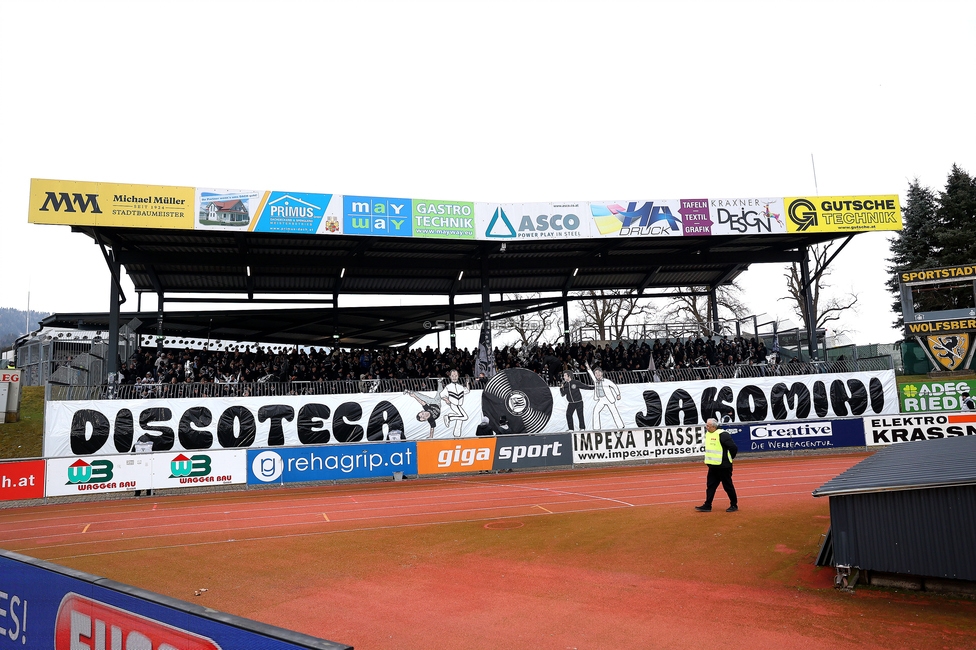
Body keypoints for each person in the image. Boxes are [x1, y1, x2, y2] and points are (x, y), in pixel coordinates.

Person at [695, 418, 738, 513]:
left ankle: (734, 505)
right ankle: (707, 505)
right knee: (710, 486)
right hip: (713, 466)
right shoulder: (708, 434)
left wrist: (730, 458)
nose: (706, 427)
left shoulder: (723, 434)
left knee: (728, 486)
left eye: (708, 426)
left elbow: (733, 447)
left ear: (714, 426)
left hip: (724, 466)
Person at [584, 362, 624, 429]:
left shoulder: (606, 381)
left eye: (598, 373)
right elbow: (591, 374)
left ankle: (621, 426)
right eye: (596, 373)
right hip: (601, 399)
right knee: (596, 411)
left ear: (601, 373)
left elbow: (614, 386)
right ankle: (596, 428)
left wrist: (618, 394)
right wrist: (588, 368)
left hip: (608, 399)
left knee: (614, 412)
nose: (597, 374)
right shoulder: (596, 381)